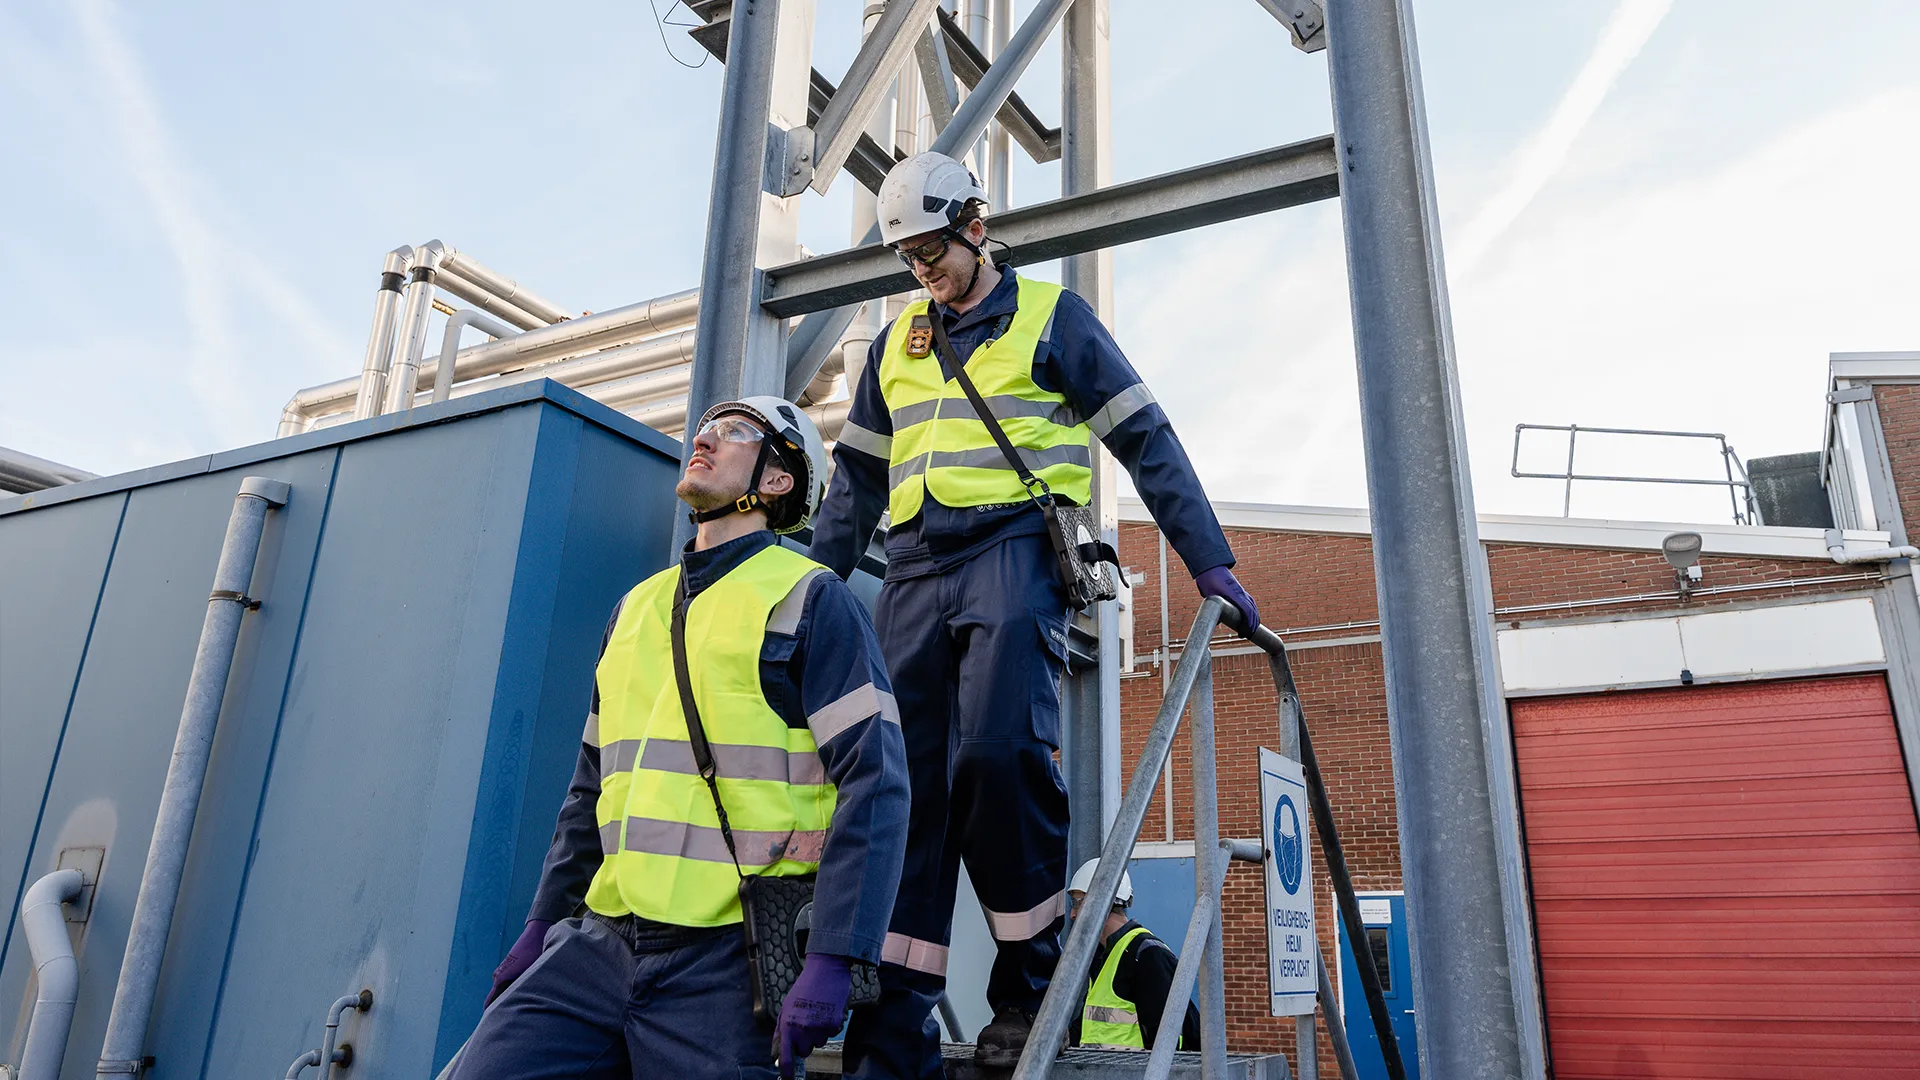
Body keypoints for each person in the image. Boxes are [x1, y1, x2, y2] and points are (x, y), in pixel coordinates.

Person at [812, 151, 1259, 1075]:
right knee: (903, 786)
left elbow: (1145, 434)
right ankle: (895, 1018)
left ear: (974, 229)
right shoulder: (897, 345)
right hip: (912, 570)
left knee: (1001, 755)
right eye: (908, 259)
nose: (923, 271)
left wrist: (1207, 558)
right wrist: (813, 588)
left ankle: (1026, 990)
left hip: (1013, 550)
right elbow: (854, 478)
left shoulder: (1054, 317)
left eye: (932, 250)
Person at [452, 397, 911, 1080]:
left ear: (777, 480)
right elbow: (589, 790)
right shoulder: (634, 609)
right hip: (599, 944)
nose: (706, 440)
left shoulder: (811, 599)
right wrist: (541, 923)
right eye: (704, 429)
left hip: (724, 965)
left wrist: (836, 953)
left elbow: (877, 783)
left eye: (735, 432)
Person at [1067, 859, 1200, 1053]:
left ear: (1100, 902)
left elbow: (1172, 1041)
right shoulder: (1104, 955)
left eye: (1077, 903)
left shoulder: (1147, 955)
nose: (1072, 914)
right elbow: (1088, 1028)